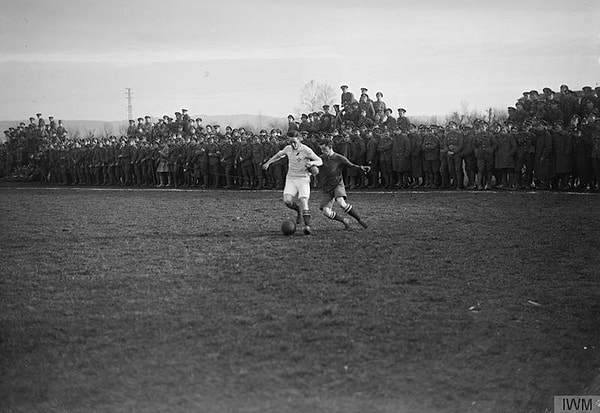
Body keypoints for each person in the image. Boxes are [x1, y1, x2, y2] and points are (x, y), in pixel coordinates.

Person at [262, 131, 323, 235]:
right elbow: (278, 155)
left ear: (299, 139)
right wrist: (268, 163)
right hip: (290, 179)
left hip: (303, 179)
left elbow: (320, 161)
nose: (293, 144)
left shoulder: (306, 150)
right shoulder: (288, 148)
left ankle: (307, 226)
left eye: (294, 142)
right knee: (287, 201)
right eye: (290, 142)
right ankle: (298, 210)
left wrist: (311, 163)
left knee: (303, 200)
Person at [316, 138, 370, 230]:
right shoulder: (321, 159)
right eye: (321, 149)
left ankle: (359, 220)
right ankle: (344, 220)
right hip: (327, 187)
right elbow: (314, 166)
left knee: (341, 202)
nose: (323, 151)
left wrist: (361, 168)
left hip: (337, 184)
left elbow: (351, 165)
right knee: (326, 212)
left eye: (324, 149)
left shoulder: (339, 158)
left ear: (330, 147)